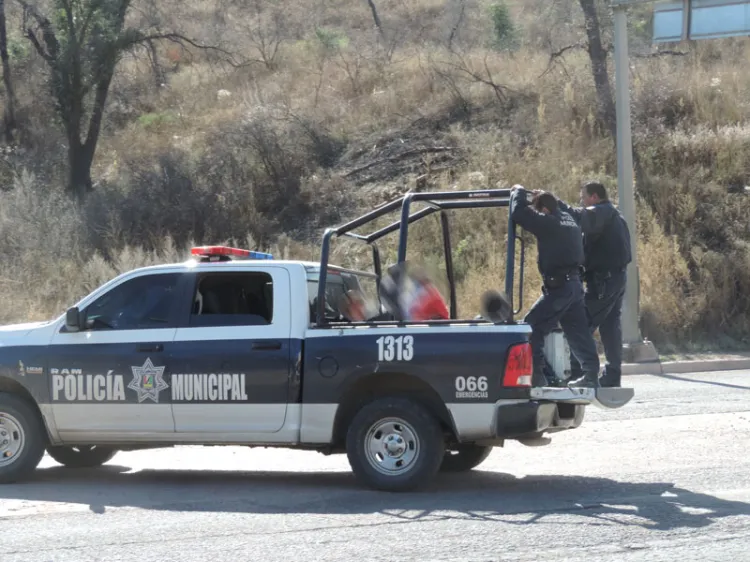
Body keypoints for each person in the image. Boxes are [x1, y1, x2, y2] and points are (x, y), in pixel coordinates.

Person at [510, 185, 601, 388]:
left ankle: (537, 377)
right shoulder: (569, 220)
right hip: (575, 287)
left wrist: (518, 192)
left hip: (561, 287)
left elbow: (519, 214)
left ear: (544, 210)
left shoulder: (549, 222)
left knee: (530, 329)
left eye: (539, 210)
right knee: (578, 332)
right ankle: (591, 376)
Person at [552, 180, 632, 388]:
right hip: (614, 279)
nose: (582, 201)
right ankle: (612, 375)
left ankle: (583, 374)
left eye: (584, 197)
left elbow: (578, 217)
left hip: (604, 281)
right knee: (610, 327)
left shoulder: (601, 212)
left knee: (580, 324)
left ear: (594, 197)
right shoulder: (613, 215)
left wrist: (555, 204)